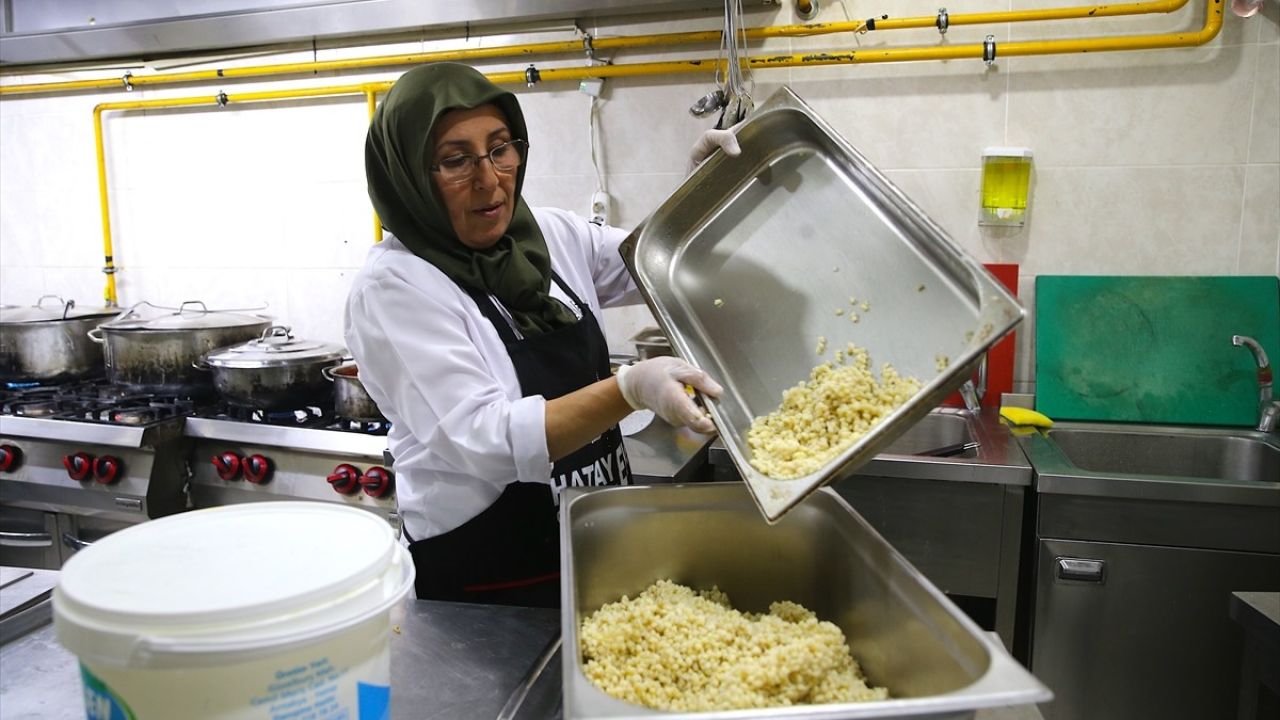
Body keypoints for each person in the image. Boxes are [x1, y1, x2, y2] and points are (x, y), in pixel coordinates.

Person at [344, 62, 738, 607]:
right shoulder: (395, 288)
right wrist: (630, 389)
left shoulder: (547, 233)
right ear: (409, 174)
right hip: (484, 585)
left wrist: (701, 191)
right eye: (455, 160)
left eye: (501, 148)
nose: (490, 179)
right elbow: (485, 440)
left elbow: (649, 264)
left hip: (588, 545)